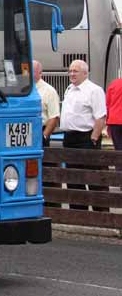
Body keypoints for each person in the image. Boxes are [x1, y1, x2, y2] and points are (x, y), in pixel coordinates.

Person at [59, 59, 107, 210]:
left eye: (75, 71)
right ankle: (79, 213)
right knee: (73, 178)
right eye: (70, 71)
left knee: (93, 178)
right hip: (69, 138)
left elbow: (101, 117)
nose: (71, 74)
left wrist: (93, 138)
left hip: (86, 138)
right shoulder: (69, 89)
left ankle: (101, 213)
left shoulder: (94, 90)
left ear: (85, 73)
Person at [33, 60, 60, 147]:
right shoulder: (19, 89)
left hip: (39, 131)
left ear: (40, 73)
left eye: (32, 71)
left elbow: (54, 117)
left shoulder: (49, 91)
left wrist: (44, 136)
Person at [106, 77, 122, 151]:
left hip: (114, 121)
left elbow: (107, 104)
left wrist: (107, 122)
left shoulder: (114, 83)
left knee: (118, 149)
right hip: (115, 120)